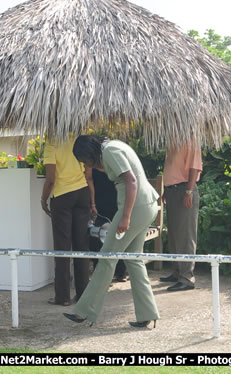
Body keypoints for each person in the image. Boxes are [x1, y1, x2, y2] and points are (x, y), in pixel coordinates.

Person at [64, 135, 160, 328]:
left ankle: (84, 311)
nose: (85, 166)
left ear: (89, 153)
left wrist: (125, 217)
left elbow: (131, 182)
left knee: (106, 258)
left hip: (135, 209)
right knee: (134, 260)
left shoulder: (110, 152)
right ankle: (147, 313)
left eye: (84, 161)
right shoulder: (113, 146)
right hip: (146, 205)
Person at [40, 137, 95, 306]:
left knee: (62, 247)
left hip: (62, 197)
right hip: (82, 194)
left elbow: (50, 179)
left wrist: (43, 199)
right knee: (81, 245)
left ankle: (62, 296)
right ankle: (83, 294)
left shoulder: (52, 144)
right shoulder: (77, 141)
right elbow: (89, 175)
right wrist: (92, 202)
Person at [159, 140, 202, 291]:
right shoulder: (173, 143)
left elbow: (195, 168)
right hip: (172, 190)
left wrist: (189, 191)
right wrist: (167, 189)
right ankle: (177, 271)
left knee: (185, 235)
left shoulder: (191, 141)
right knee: (174, 234)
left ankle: (187, 277)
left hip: (184, 189)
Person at [91, 168, 127, 282]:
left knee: (98, 237)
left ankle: (101, 272)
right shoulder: (113, 161)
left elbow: (89, 179)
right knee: (118, 236)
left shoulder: (93, 163)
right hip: (115, 200)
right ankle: (120, 272)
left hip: (100, 201)